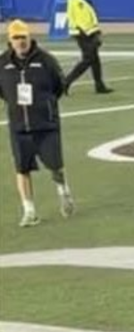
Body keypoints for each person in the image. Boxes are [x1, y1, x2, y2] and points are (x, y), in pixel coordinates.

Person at [0, 20, 75, 227]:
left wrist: (46, 105)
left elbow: (59, 86)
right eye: (16, 38)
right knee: (21, 169)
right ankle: (29, 210)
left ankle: (63, 190)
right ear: (10, 40)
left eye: (23, 37)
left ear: (30, 37)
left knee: (55, 166)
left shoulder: (46, 60)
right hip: (18, 127)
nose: (20, 41)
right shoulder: (2, 63)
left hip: (45, 124)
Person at [63, 0, 112, 95]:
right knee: (88, 60)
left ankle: (99, 85)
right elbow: (81, 19)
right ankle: (65, 82)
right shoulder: (75, 0)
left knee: (95, 60)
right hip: (83, 33)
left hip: (86, 32)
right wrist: (92, 33)